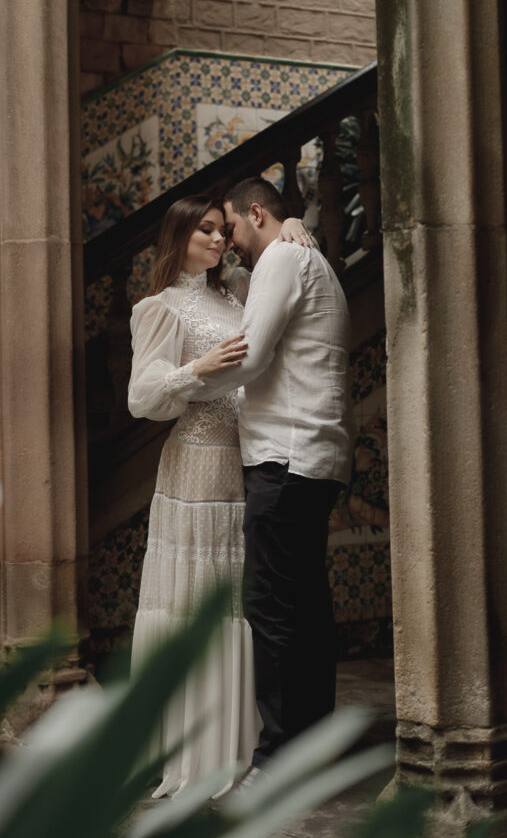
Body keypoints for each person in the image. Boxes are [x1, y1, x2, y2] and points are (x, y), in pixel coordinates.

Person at [127, 194, 309, 798]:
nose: (216, 239)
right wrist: (196, 369)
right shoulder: (161, 307)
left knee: (240, 603)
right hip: (195, 467)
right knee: (195, 603)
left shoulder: (235, 289)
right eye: (203, 230)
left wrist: (296, 225)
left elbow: (278, 268)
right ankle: (189, 750)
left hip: (245, 460)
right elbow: (143, 399)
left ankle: (242, 746)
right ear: (178, 237)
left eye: (218, 230)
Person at [197, 176, 355, 784]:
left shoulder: (286, 256)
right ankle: (313, 745)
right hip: (314, 457)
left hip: (285, 460)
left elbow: (253, 354)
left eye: (231, 227)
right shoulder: (299, 255)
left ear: (255, 213)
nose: (228, 241)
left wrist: (186, 385)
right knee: (307, 607)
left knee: (274, 609)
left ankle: (283, 758)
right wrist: (282, 229)